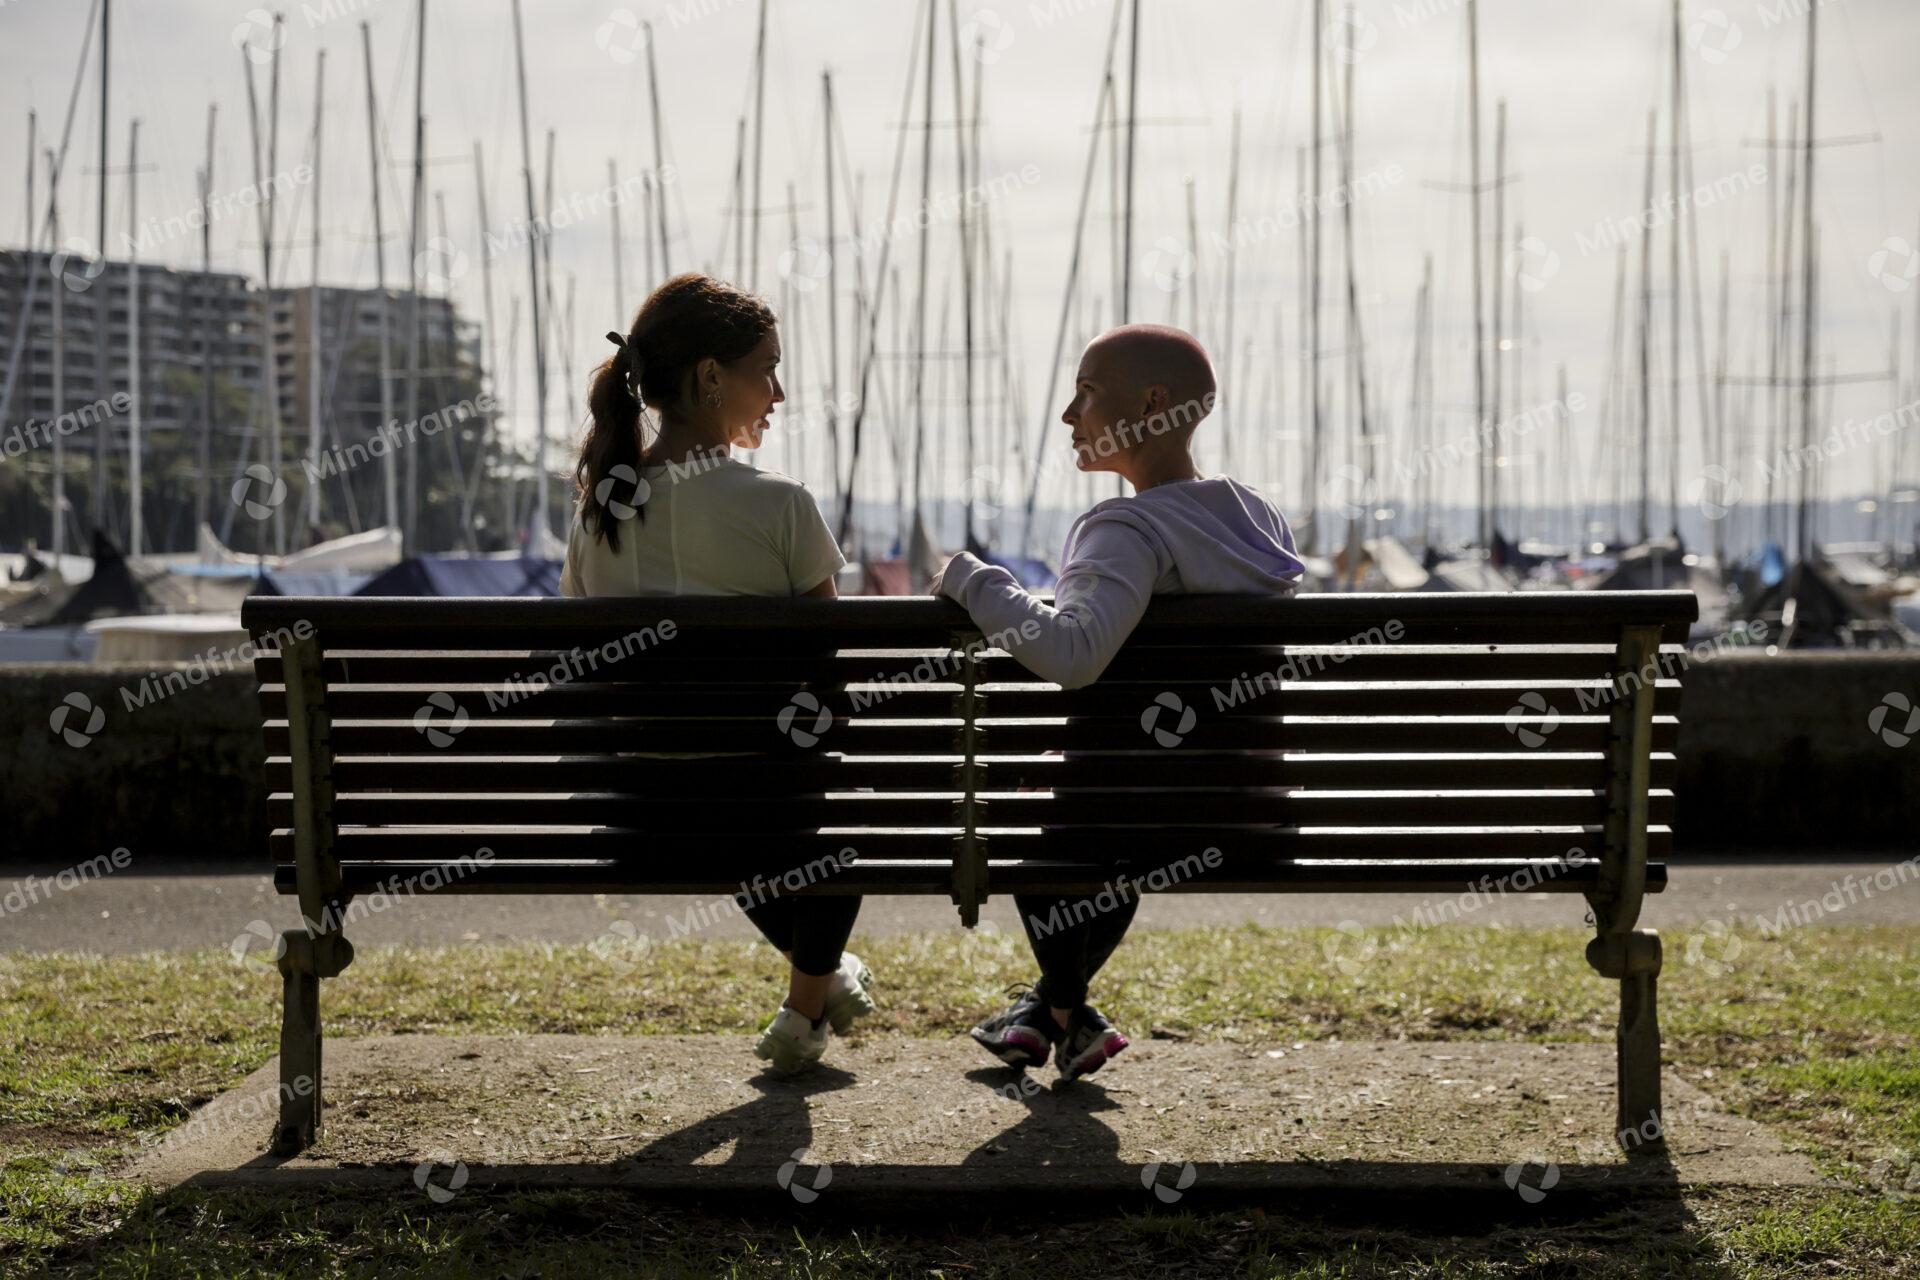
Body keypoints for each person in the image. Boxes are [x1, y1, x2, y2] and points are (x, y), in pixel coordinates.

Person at [932, 323, 1305, 1080]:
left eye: (1087, 392)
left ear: (1155, 403)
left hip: (1133, 815)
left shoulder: (1125, 528)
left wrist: (977, 583)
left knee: (1053, 867)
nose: (1069, 415)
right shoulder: (1257, 520)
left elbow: (1073, 655)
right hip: (1244, 812)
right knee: (1104, 845)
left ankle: (1062, 1013)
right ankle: (1054, 1020)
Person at [562, 271, 873, 1075]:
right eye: (765, 368)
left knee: (750, 808)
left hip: (643, 817)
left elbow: (579, 664)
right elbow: (828, 671)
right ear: (709, 378)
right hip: (765, 809)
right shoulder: (780, 506)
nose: (778, 389)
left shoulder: (599, 513)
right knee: (835, 826)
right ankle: (808, 1001)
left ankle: (815, 995)